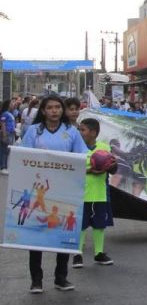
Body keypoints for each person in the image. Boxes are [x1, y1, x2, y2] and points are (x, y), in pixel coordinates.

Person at [21, 95, 88, 293]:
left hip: (65, 190)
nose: (54, 111)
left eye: (58, 107)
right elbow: (24, 157)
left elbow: (82, 156)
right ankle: (36, 280)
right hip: (39, 189)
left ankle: (61, 277)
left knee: (63, 235)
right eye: (50, 107)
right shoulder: (34, 131)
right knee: (36, 236)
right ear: (43, 111)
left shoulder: (72, 132)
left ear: (63, 110)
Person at [73, 117, 115, 268]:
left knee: (99, 225)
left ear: (93, 132)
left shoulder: (104, 147)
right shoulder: (76, 147)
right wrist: (90, 170)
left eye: (82, 129)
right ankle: (77, 254)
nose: (80, 132)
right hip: (81, 194)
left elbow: (113, 169)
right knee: (81, 225)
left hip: (100, 194)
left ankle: (99, 253)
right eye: (79, 129)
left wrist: (110, 166)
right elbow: (72, 169)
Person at [0, 98, 15, 174]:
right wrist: (4, 134)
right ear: (8, 105)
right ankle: (3, 167)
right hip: (7, 133)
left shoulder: (10, 113)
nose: (13, 104)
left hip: (11, 134)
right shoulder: (5, 113)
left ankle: (5, 166)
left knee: (7, 151)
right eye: (11, 103)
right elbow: (3, 123)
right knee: (4, 150)